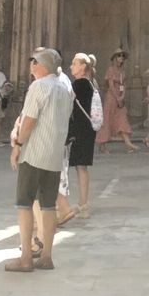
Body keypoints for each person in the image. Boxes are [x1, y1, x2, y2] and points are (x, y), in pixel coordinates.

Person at [6, 47, 74, 271]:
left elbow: (29, 120)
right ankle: (46, 256)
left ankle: (26, 257)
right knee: (47, 206)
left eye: (33, 61)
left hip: (34, 153)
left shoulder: (39, 86)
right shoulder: (65, 88)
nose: (31, 65)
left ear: (42, 65)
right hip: (54, 155)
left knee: (24, 204)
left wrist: (18, 144)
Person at [59, 52, 99, 221]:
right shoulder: (88, 83)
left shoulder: (80, 84)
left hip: (81, 130)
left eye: (74, 63)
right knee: (81, 167)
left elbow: (69, 105)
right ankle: (83, 203)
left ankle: (83, 204)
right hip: (86, 130)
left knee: (80, 167)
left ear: (83, 66)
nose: (71, 66)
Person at [98, 50, 135, 153]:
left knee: (122, 119)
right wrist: (117, 97)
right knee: (107, 119)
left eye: (123, 56)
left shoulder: (123, 71)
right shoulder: (110, 70)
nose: (121, 58)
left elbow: (124, 85)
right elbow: (110, 85)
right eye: (119, 56)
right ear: (115, 58)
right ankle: (102, 144)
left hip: (120, 97)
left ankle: (128, 144)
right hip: (111, 97)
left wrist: (122, 96)